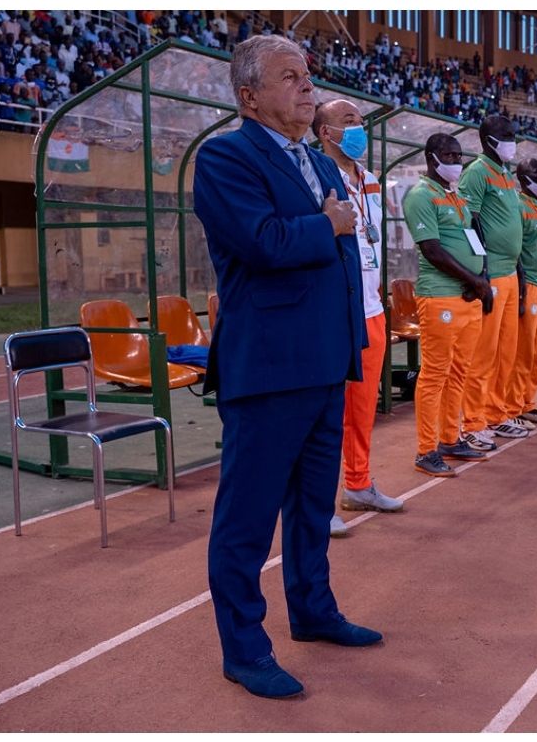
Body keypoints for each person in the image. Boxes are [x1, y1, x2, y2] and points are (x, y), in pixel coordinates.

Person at [192, 35, 381, 701]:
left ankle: (313, 609)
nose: (307, 86)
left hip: (328, 361)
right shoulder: (223, 157)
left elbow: (343, 260)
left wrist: (351, 345)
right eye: (289, 77)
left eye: (307, 75)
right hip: (270, 367)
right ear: (248, 97)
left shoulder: (318, 162)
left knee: (310, 508)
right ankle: (244, 650)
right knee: (245, 521)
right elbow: (264, 242)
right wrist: (326, 226)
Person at [313, 98, 405, 538]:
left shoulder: (370, 179)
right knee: (329, 412)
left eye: (361, 122)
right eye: (348, 122)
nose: (358, 129)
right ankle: (319, 502)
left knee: (363, 409)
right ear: (325, 132)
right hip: (335, 312)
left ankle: (359, 483)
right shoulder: (314, 174)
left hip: (371, 308)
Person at [404, 132, 492, 476]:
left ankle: (451, 439)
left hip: (468, 296)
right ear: (432, 157)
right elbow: (432, 250)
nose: (457, 162)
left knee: (459, 371)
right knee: (435, 374)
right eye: (450, 156)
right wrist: (474, 281)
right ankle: (427, 450)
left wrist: (479, 278)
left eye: (459, 156)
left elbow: (476, 239)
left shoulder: (455, 196)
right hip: (440, 295)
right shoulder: (421, 195)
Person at [458, 114, 528, 450]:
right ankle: (473, 421)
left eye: (514, 134)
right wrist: (482, 272)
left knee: (506, 352)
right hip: (493, 275)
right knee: (484, 353)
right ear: (489, 139)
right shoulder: (476, 172)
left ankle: (496, 412)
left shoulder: (506, 174)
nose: (513, 140)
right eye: (507, 135)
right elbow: (469, 221)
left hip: (511, 273)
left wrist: (520, 272)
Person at [507, 157, 537, 426]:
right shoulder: (518, 205)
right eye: (536, 172)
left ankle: (528, 402)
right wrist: (523, 290)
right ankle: (514, 406)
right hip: (530, 285)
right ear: (524, 178)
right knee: (523, 351)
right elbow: (515, 251)